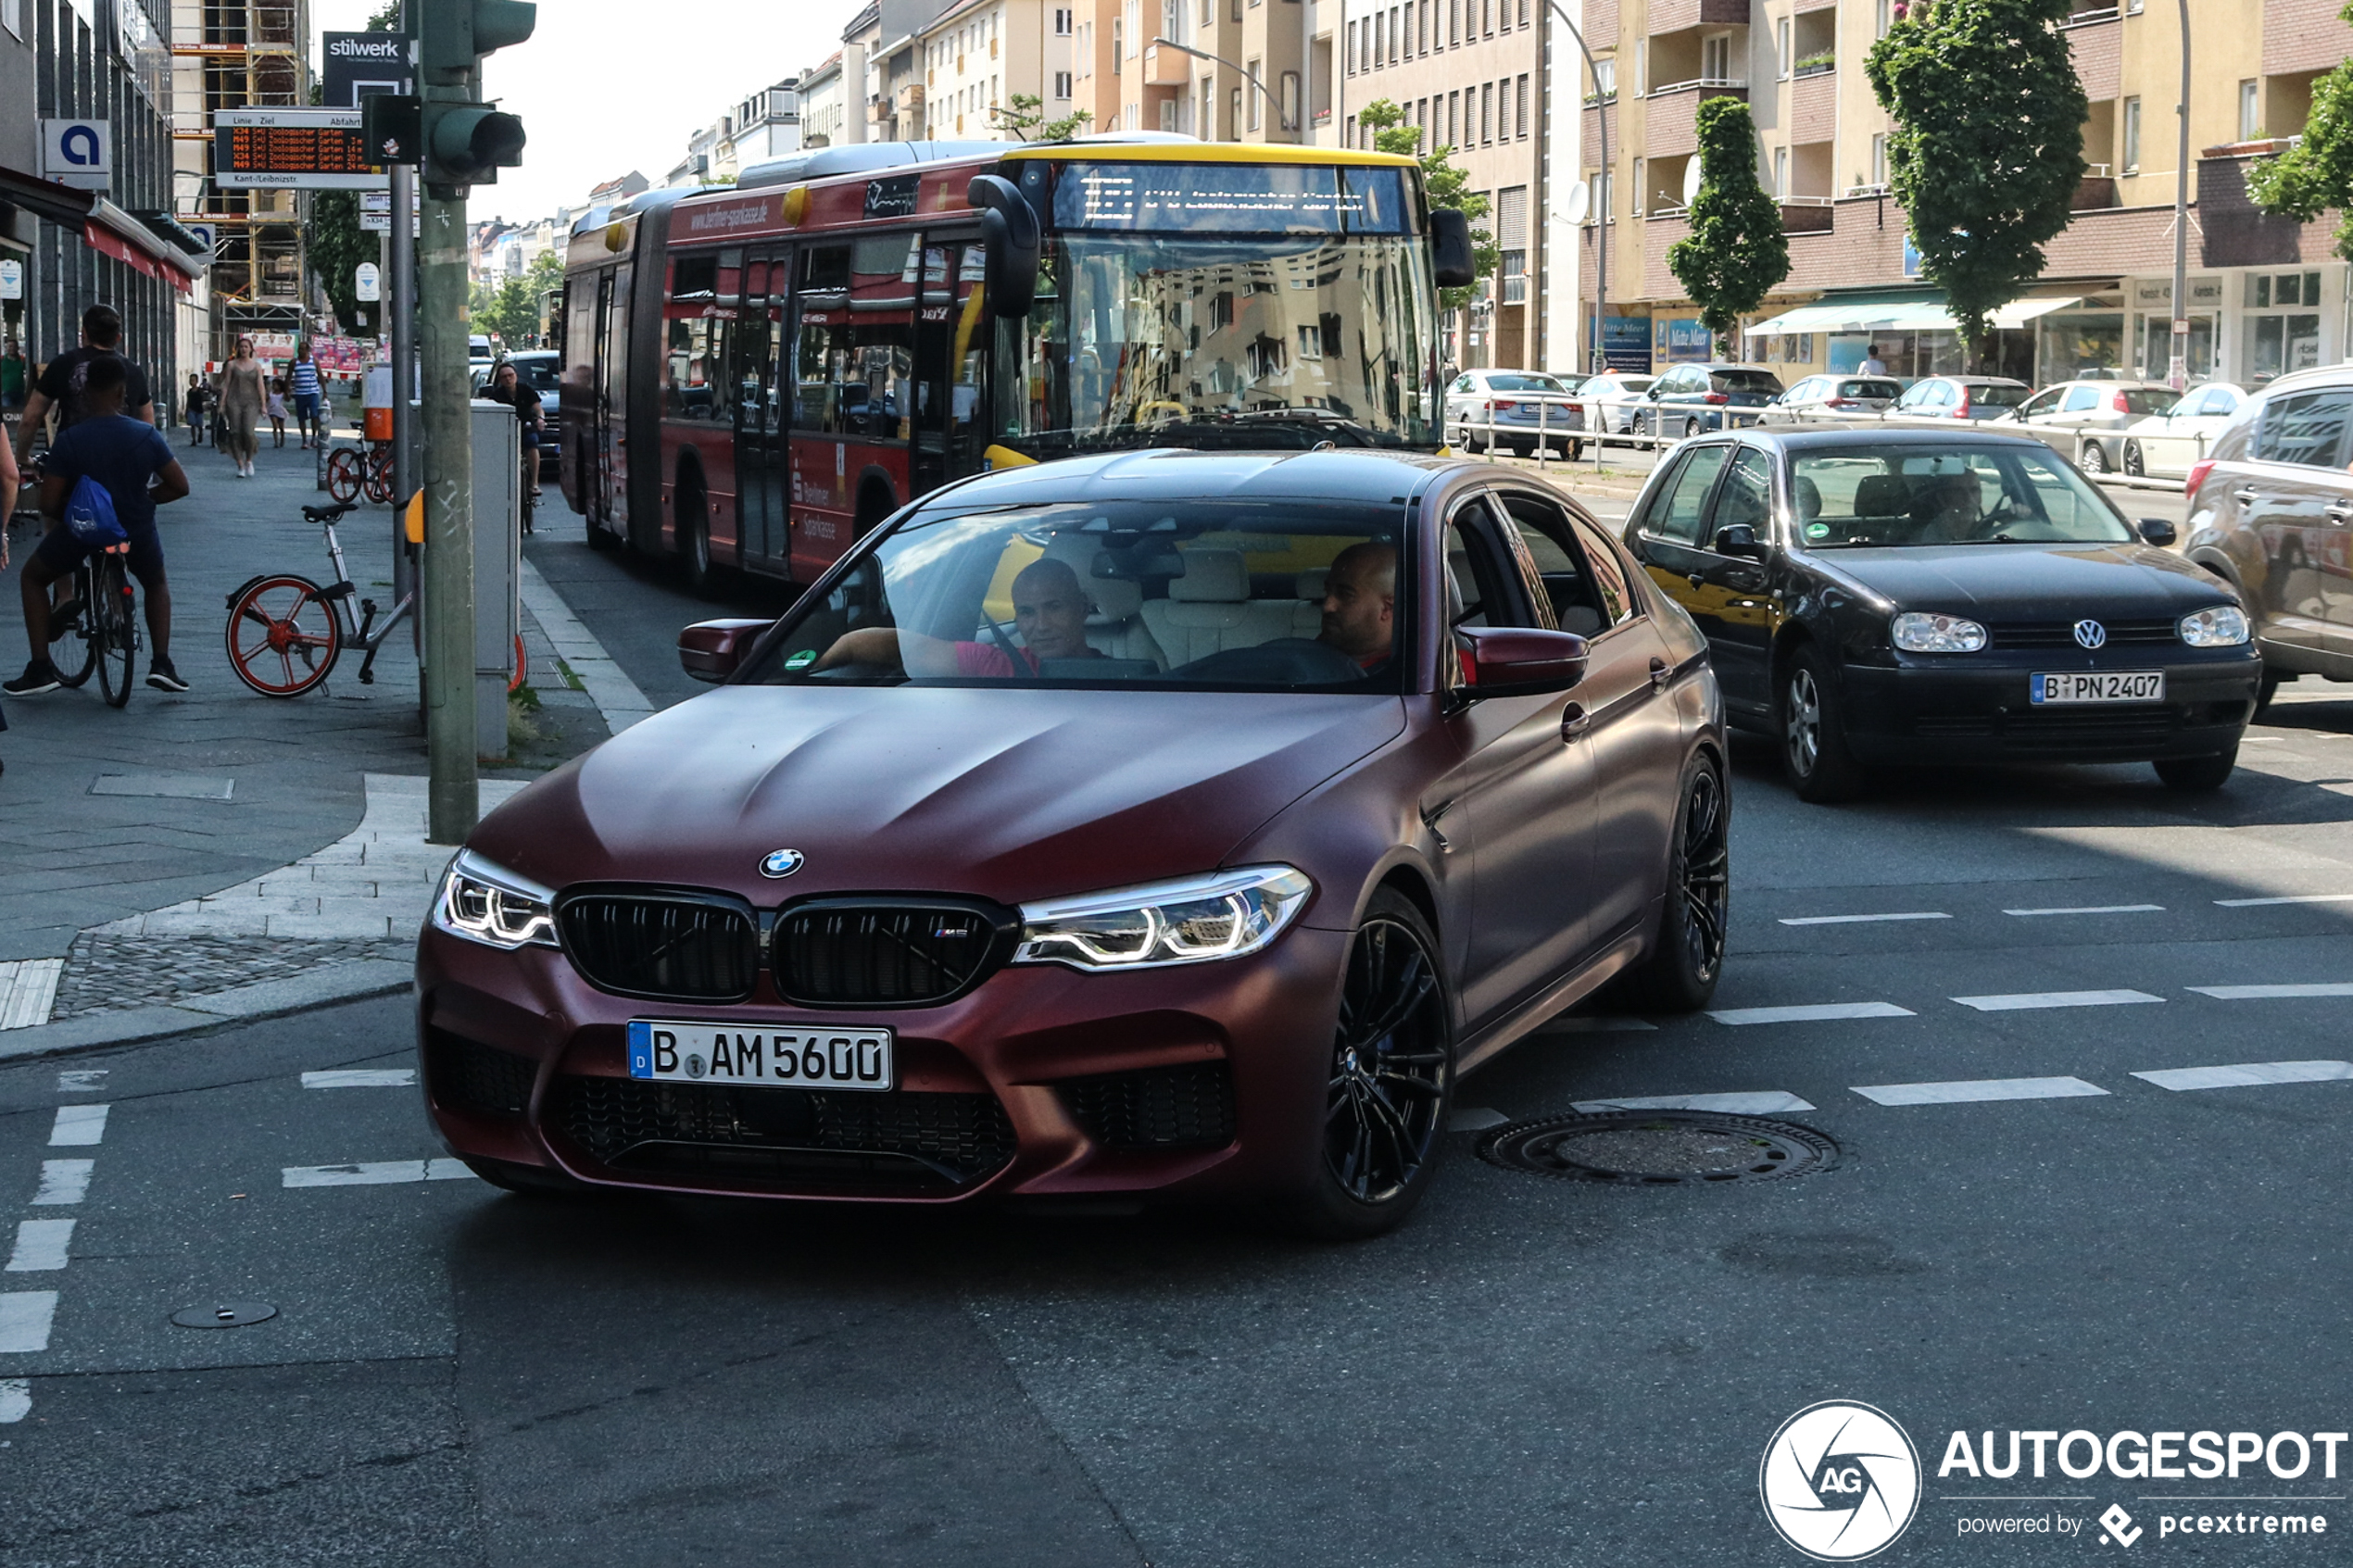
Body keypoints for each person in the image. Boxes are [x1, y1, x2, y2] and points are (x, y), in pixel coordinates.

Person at [5, 357, 190, 696]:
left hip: (83, 531)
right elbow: (179, 486)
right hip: (134, 530)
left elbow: (47, 503)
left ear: (86, 393)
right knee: (155, 582)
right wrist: (145, 500)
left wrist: (72, 510)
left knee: (31, 577)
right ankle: (162, 663)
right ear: (123, 394)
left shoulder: (72, 439)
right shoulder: (146, 435)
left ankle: (41, 667)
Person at [817, 557, 1109, 677]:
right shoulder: (998, 664)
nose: (1041, 625)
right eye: (1027, 612)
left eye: (1054, 607)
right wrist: (810, 666)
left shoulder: (1127, 676)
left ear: (1082, 607)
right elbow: (869, 644)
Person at [18, 305, 156, 437]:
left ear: (83, 333)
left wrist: (22, 457)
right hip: (123, 455)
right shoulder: (134, 371)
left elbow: (31, 419)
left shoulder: (62, 363)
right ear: (117, 338)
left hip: (72, 454)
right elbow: (148, 424)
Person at [1316, 542, 1397, 670]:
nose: (1327, 606)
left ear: (1387, 608)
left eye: (1346, 595)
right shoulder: (1304, 657)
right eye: (1327, 591)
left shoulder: (1405, 676)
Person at [485, 361, 544, 533]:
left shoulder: (526, 390)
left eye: (511, 375)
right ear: (500, 380)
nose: (508, 379)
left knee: (532, 444)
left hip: (525, 429)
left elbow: (538, 409)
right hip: (505, 432)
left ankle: (533, 483)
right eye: (504, 377)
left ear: (516, 376)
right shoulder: (497, 396)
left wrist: (540, 419)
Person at [215, 335, 268, 478]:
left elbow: (261, 386)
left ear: (251, 349)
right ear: (237, 349)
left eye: (246, 347)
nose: (243, 349)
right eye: (241, 347)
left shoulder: (257, 366)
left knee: (248, 432)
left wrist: (263, 405)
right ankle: (240, 464)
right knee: (235, 432)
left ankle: (249, 460)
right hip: (234, 401)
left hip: (251, 402)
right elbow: (226, 385)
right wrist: (222, 403)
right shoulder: (232, 365)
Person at [287, 343, 322, 447]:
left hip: (313, 392)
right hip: (300, 393)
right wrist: (287, 391)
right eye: (299, 349)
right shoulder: (294, 362)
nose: (300, 351)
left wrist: (325, 391)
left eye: (303, 349)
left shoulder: (314, 361)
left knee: (314, 415)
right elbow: (288, 377)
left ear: (307, 350)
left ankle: (314, 437)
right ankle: (304, 440)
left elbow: (320, 376)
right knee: (301, 418)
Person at [182, 372, 209, 446]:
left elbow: (204, 398)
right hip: (192, 409)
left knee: (199, 425)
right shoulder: (189, 392)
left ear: (197, 381)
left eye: (193, 380)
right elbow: (188, 401)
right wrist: (186, 410)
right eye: (190, 380)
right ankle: (194, 440)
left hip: (199, 410)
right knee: (192, 425)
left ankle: (200, 433)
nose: (191, 382)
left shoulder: (200, 391)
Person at [266, 378, 288, 446]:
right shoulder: (271, 394)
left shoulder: (282, 394)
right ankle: (276, 442)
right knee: (275, 425)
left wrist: (287, 393)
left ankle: (282, 438)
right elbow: (267, 400)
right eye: (273, 385)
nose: (273, 386)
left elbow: (287, 399)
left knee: (281, 427)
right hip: (272, 410)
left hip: (280, 410)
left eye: (275, 385)